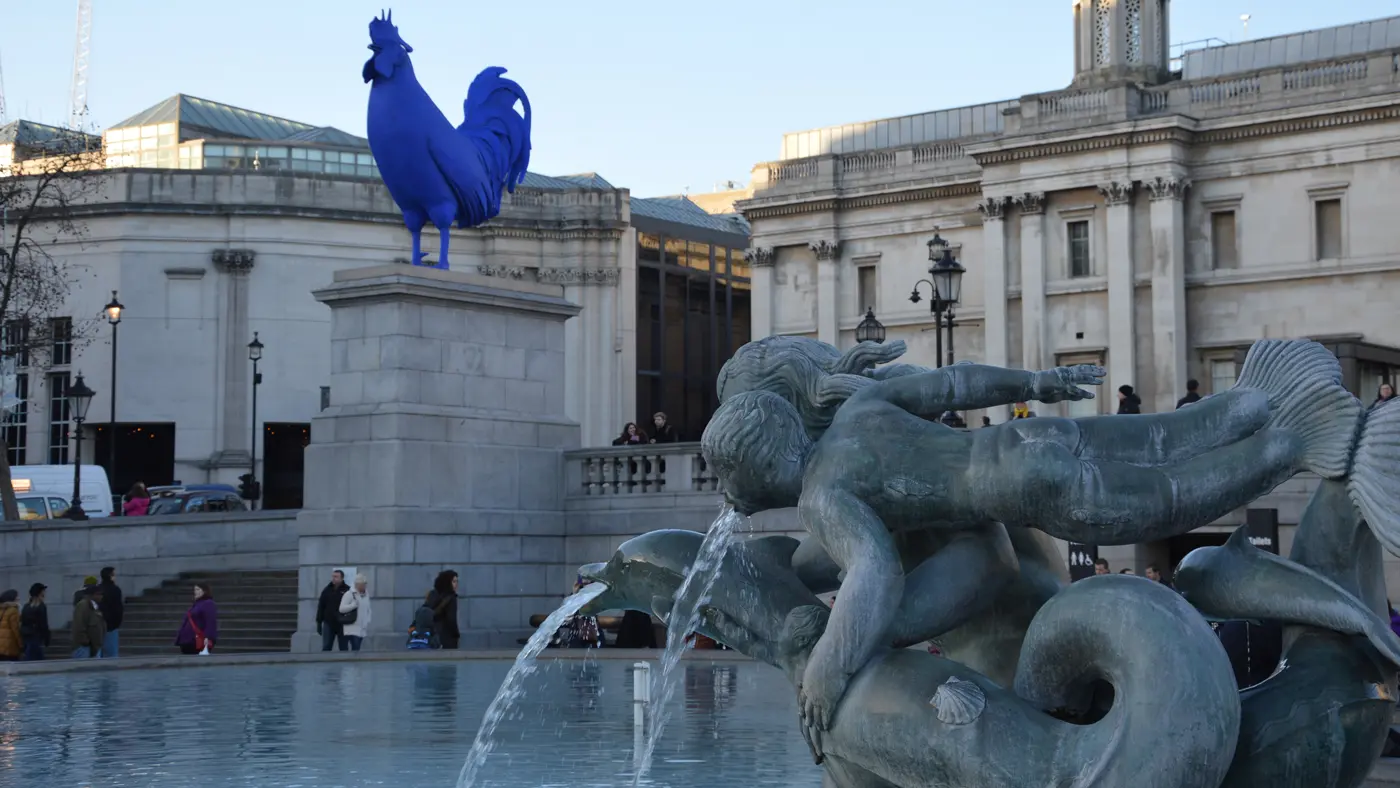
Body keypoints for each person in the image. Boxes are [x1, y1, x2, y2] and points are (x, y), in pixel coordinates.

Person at [701, 338, 1363, 733]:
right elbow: (958, 381)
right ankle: (1255, 400)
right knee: (1159, 442)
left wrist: (827, 668)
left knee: (1167, 499)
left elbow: (874, 572)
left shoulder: (824, 496)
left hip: (1028, 493)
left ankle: (1296, 445)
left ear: (763, 472)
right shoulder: (864, 410)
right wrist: (1039, 382)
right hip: (1025, 439)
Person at [175, 583, 217, 654]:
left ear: (204, 591)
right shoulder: (196, 604)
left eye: (198, 589)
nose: (195, 592)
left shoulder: (208, 603)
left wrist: (208, 638)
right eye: (195, 590)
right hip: (187, 641)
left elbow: (210, 622)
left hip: (196, 641)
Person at [316, 570, 350, 652]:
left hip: (342, 623)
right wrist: (319, 622)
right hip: (328, 622)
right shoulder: (327, 590)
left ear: (341, 578)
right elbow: (321, 606)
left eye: (336, 577)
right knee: (326, 646)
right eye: (333, 576)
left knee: (343, 647)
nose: (333, 579)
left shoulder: (347, 590)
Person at [337, 573, 372, 652]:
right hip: (351, 627)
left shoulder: (366, 595)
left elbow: (368, 609)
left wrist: (368, 620)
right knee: (355, 648)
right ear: (357, 584)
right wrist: (353, 606)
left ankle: (355, 663)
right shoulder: (349, 594)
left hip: (362, 627)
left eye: (365, 584)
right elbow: (341, 609)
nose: (364, 586)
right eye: (362, 584)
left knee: (357, 648)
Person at [426, 570, 461, 649]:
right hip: (447, 637)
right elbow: (451, 619)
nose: (456, 585)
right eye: (454, 581)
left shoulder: (432, 594)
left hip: (432, 636)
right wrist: (456, 634)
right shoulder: (451, 598)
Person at [71, 585, 106, 659]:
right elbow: (79, 625)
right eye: (99, 594)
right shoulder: (83, 605)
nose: (101, 596)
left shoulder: (96, 607)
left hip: (94, 647)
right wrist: (85, 641)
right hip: (84, 647)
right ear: (92, 595)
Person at [97, 566, 124, 658]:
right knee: (111, 655)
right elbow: (118, 608)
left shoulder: (98, 589)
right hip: (111, 626)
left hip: (98, 626)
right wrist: (117, 623)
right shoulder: (115, 590)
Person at [19, 584, 50, 661]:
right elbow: (43, 624)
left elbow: (22, 621)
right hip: (36, 637)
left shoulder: (26, 606)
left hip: (26, 637)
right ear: (40, 593)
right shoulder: (41, 606)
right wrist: (47, 638)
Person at [0, 590, 20, 660]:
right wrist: (21, 644)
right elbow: (16, 629)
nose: (18, 599)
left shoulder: (1, 609)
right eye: (17, 597)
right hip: (9, 647)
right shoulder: (13, 611)